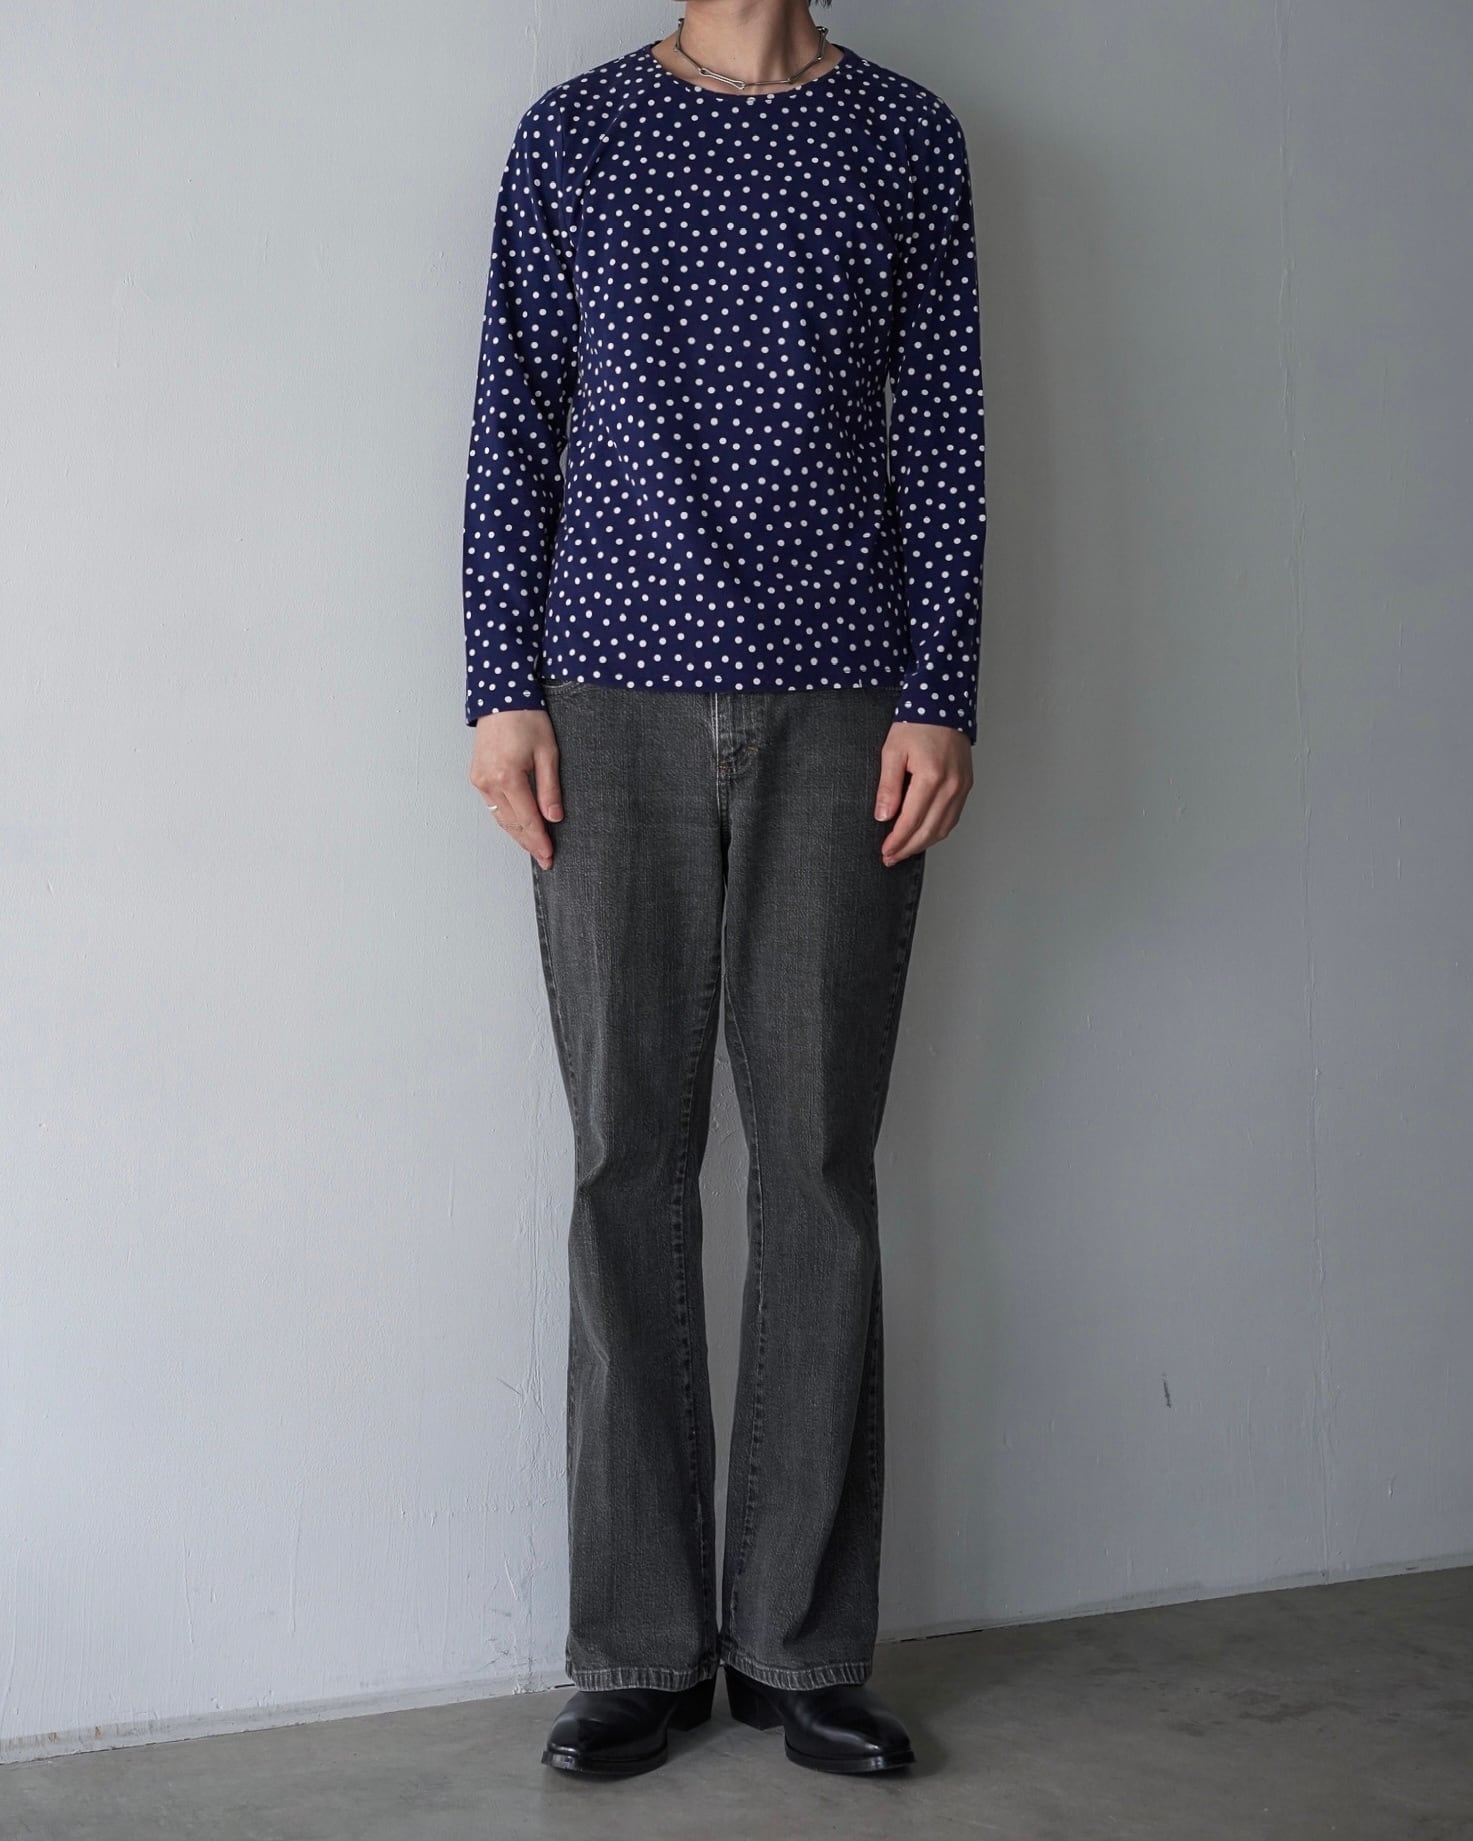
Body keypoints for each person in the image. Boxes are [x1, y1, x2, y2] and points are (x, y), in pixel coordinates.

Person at [462, 0, 986, 1779]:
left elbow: (947, 433)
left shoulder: (904, 137)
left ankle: (799, 1647)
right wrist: (497, 688)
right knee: (627, 1160)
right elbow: (514, 418)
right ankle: (635, 1647)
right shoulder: (576, 135)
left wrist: (940, 690)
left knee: (818, 1163)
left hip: (845, 700)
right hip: (601, 695)